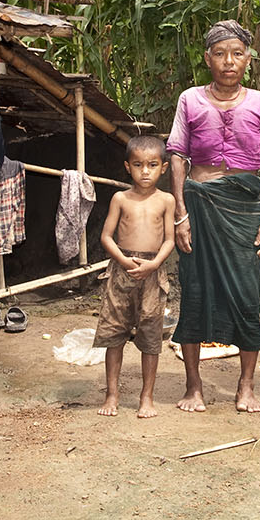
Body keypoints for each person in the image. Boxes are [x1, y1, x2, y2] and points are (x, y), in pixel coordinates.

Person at [167, 20, 260, 413]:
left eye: (236, 54)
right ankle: (193, 386)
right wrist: (180, 214)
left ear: (248, 59)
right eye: (220, 54)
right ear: (207, 59)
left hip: (244, 209)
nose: (228, 61)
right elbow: (177, 156)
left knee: (247, 296)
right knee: (194, 292)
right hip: (198, 207)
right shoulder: (190, 100)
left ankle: (245, 386)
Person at [94, 135, 176, 418]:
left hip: (153, 272)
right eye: (138, 165)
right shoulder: (121, 198)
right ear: (127, 167)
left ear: (163, 168)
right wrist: (123, 260)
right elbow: (106, 236)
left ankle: (147, 396)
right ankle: (112, 394)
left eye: (152, 165)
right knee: (114, 333)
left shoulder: (166, 200)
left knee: (151, 335)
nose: (145, 172)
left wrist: (154, 264)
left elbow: (169, 239)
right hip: (122, 271)